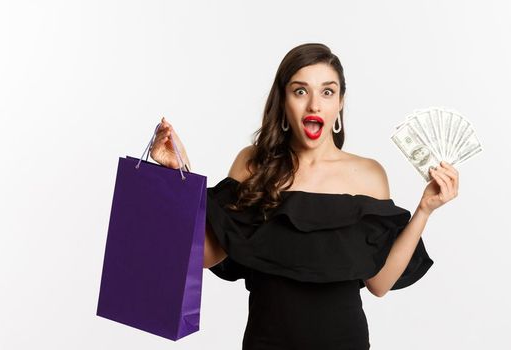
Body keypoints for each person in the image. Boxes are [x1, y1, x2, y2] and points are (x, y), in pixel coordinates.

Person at [149, 43, 460, 349]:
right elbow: (205, 255)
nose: (314, 105)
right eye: (300, 91)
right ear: (283, 101)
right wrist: (181, 176)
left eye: (327, 92)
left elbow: (379, 284)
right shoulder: (253, 163)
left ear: (340, 103)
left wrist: (424, 210)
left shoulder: (370, 174)